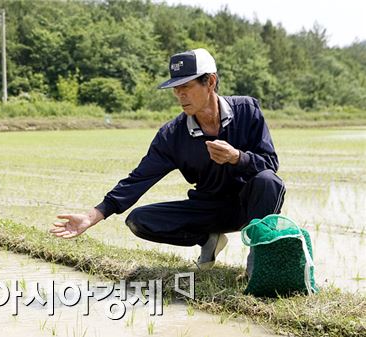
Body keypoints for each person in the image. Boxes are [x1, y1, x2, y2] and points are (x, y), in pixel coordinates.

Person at [50, 48, 285, 275]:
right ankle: (207, 238)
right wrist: (91, 217)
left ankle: (258, 262)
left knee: (268, 181)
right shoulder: (173, 135)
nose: (179, 95)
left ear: (210, 82)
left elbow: (270, 163)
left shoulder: (247, 111)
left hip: (252, 208)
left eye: (186, 87)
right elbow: (137, 179)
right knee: (139, 221)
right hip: (208, 210)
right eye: (175, 88)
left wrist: (238, 157)